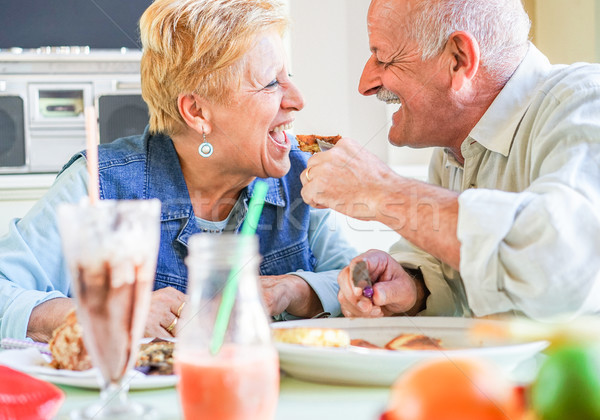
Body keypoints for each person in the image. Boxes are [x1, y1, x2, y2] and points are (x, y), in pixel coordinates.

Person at [0, 0, 356, 342]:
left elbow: (358, 286)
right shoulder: (99, 183)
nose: (297, 99)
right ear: (197, 111)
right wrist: (113, 314)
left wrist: (296, 291)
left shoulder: (301, 174)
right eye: (270, 83)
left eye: (288, 76)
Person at [301, 0, 600, 320]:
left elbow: (567, 260)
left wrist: (380, 190)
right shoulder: (453, 150)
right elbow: (458, 281)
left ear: (459, 59)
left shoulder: (585, 103)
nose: (366, 83)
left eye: (385, 59)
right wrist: (412, 288)